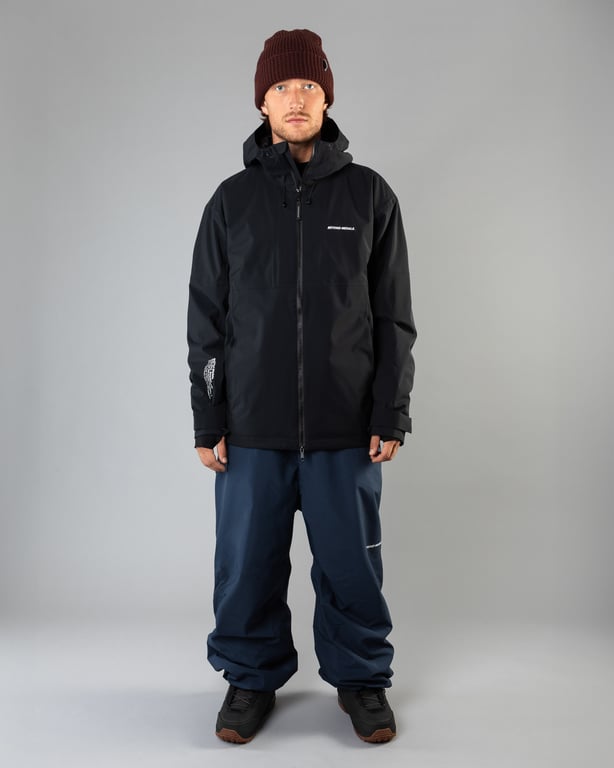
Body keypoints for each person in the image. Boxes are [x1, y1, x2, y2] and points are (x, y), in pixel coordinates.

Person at [187, 28, 416, 744]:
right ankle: (249, 679)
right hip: (251, 429)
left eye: (309, 86)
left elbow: (393, 318)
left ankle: (362, 680)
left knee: (352, 566)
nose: (296, 98)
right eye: (282, 87)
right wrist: (207, 418)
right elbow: (206, 321)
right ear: (262, 101)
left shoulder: (369, 195)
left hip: (346, 427)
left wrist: (390, 411)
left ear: (326, 99)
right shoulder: (231, 202)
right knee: (246, 566)